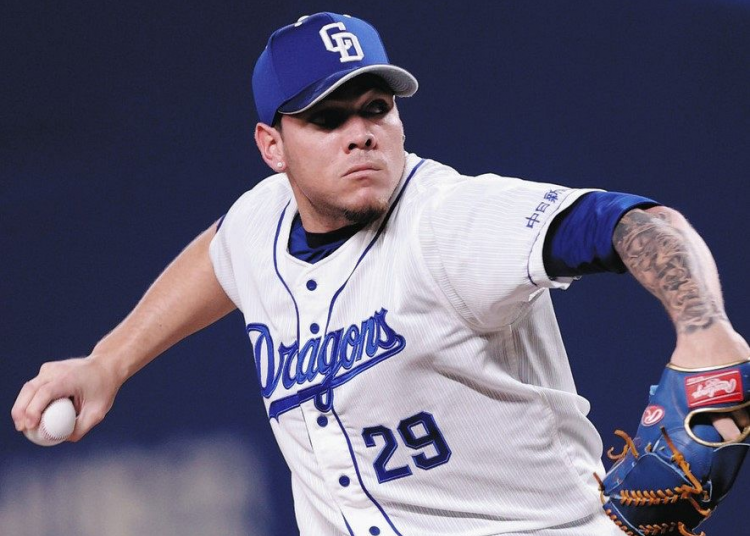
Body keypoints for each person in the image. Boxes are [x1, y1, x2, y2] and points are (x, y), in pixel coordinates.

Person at [11, 12, 749, 536]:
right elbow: (220, 251)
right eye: (327, 118)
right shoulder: (263, 220)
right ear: (273, 146)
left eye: (375, 108)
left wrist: (704, 327)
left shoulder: (449, 221)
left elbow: (638, 224)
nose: (360, 131)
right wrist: (110, 361)